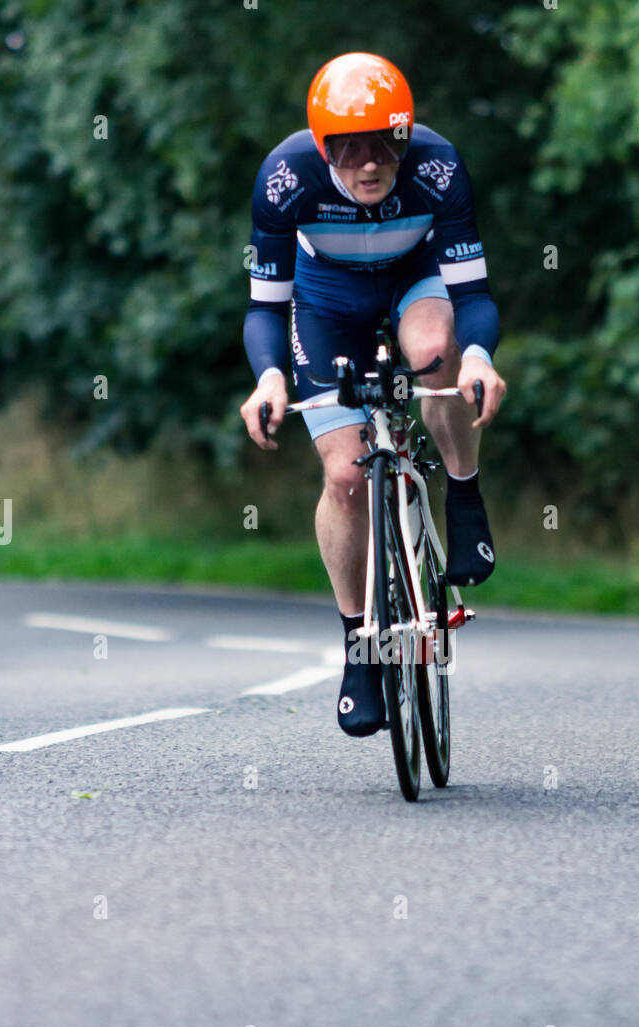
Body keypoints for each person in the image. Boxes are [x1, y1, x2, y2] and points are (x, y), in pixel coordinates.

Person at [239, 52, 506, 737]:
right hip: (326, 301)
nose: (368, 164)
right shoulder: (283, 178)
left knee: (433, 357)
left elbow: (471, 294)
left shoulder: (437, 167)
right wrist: (269, 378)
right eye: (349, 148)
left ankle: (463, 493)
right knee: (344, 476)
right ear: (322, 146)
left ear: (405, 136)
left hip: (414, 281)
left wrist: (476, 359)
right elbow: (264, 309)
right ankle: (360, 647)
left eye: (384, 143)